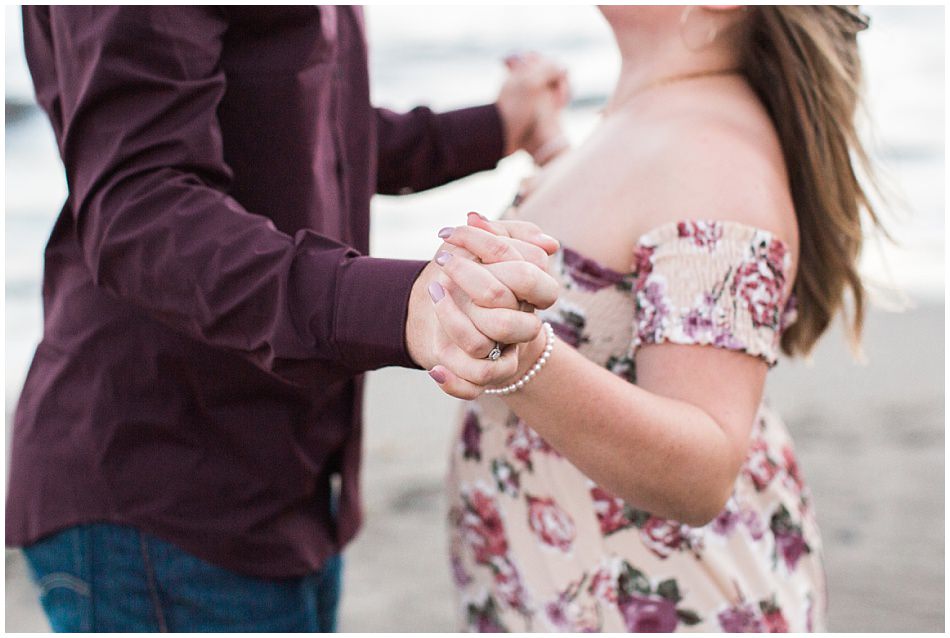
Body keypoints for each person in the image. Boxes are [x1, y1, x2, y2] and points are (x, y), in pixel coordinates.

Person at [7, 6, 568, 632]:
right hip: (160, 485)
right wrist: (403, 305)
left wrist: (497, 126)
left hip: (283, 476)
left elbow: (301, 124)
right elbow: (140, 210)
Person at [437, 5, 881, 632]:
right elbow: (616, 280)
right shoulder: (655, 115)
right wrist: (550, 149)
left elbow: (703, 471)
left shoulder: (715, 162)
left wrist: (519, 355)